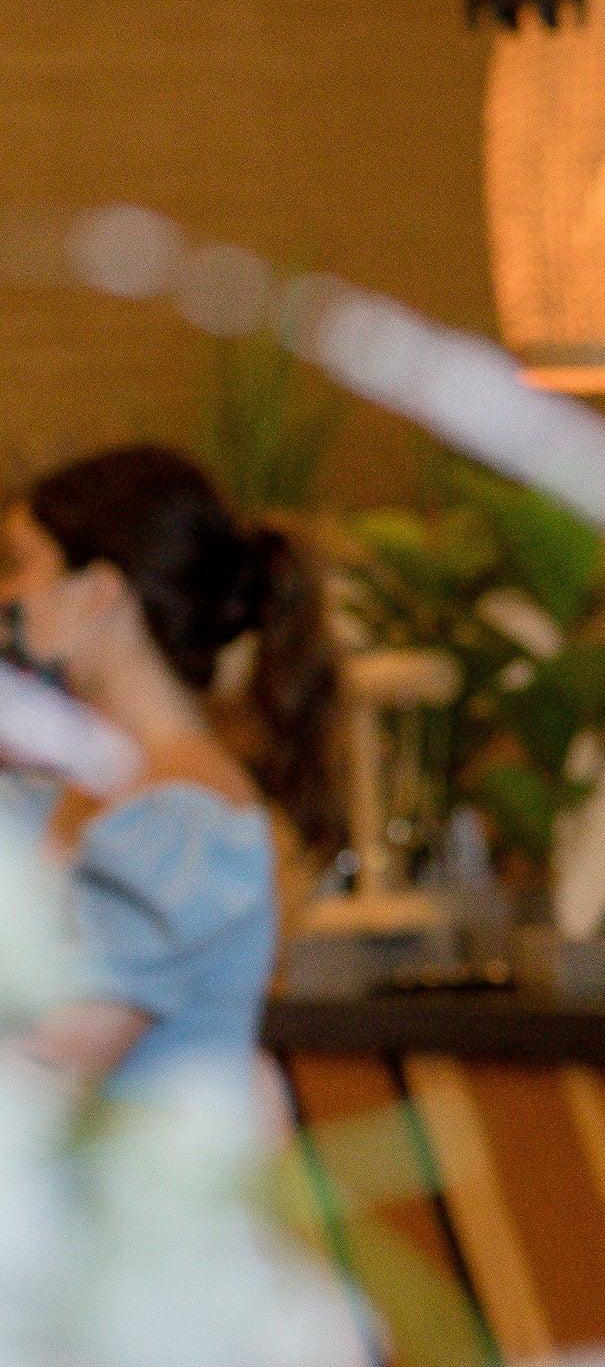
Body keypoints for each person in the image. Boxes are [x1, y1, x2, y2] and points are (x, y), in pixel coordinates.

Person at [3, 441, 342, 1093]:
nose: (6, 594)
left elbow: (44, 1070)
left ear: (98, 592)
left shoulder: (186, 831)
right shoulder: (59, 794)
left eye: (19, 566)